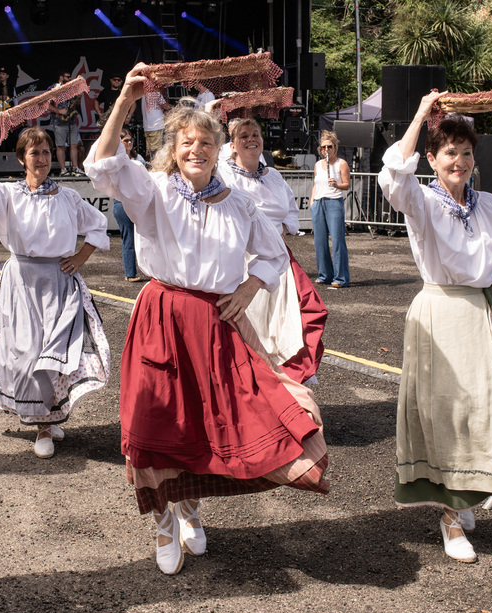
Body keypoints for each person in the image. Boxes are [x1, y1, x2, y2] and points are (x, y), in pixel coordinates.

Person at [85, 64, 329, 576]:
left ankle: (189, 507)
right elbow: (102, 164)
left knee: (206, 420)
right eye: (186, 143)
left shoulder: (239, 203)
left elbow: (273, 255)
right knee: (157, 419)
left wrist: (248, 287)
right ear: (173, 149)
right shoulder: (154, 189)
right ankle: (163, 521)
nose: (196, 150)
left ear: (219, 149)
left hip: (215, 321)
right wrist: (126, 100)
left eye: (205, 142)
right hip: (161, 316)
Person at [378, 91, 492, 564]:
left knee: (485, 407)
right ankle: (450, 514)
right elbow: (393, 175)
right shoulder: (421, 200)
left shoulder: (489, 204)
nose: (460, 161)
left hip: (480, 313)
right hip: (440, 313)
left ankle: (466, 492)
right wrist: (419, 115)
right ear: (432, 158)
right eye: (450, 152)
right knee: (446, 415)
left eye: (466, 153)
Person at [0, 115, 111, 459]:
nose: (42, 159)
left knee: (53, 354)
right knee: (26, 355)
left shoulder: (68, 197)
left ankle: (46, 421)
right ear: (21, 159)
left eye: (46, 152)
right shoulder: (8, 194)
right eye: (34, 153)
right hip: (20, 281)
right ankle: (44, 419)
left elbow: (98, 225)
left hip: (58, 281)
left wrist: (80, 258)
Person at [216, 117, 328, 385]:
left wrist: (282, 230)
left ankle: (289, 380)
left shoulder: (274, 176)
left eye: (255, 134)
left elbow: (290, 210)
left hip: (279, 256)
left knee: (300, 315)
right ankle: (256, 383)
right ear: (232, 145)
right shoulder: (223, 174)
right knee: (253, 325)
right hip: (243, 258)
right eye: (243, 136)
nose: (251, 139)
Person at [309, 130, 351, 288]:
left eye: (329, 147)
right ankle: (325, 275)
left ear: (335, 147)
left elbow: (346, 185)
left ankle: (341, 278)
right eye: (323, 147)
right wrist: (312, 200)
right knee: (320, 241)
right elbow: (316, 184)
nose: (326, 150)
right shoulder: (317, 165)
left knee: (338, 240)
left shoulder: (341, 163)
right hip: (319, 202)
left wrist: (337, 184)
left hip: (334, 201)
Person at [112, 128, 147, 282]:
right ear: (119, 143)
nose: (129, 143)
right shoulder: (115, 160)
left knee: (146, 236)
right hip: (122, 202)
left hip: (139, 202)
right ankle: (130, 273)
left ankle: (151, 269)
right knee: (129, 238)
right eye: (125, 140)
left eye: (131, 140)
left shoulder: (138, 158)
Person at [47, 70, 83, 175]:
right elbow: (46, 105)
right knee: (61, 146)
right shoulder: (53, 88)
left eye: (70, 77)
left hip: (71, 121)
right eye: (67, 77)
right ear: (61, 77)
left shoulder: (72, 88)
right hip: (58, 122)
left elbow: (77, 104)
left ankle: (75, 168)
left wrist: (79, 97)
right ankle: (63, 169)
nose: (69, 79)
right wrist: (58, 111)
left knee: (74, 145)